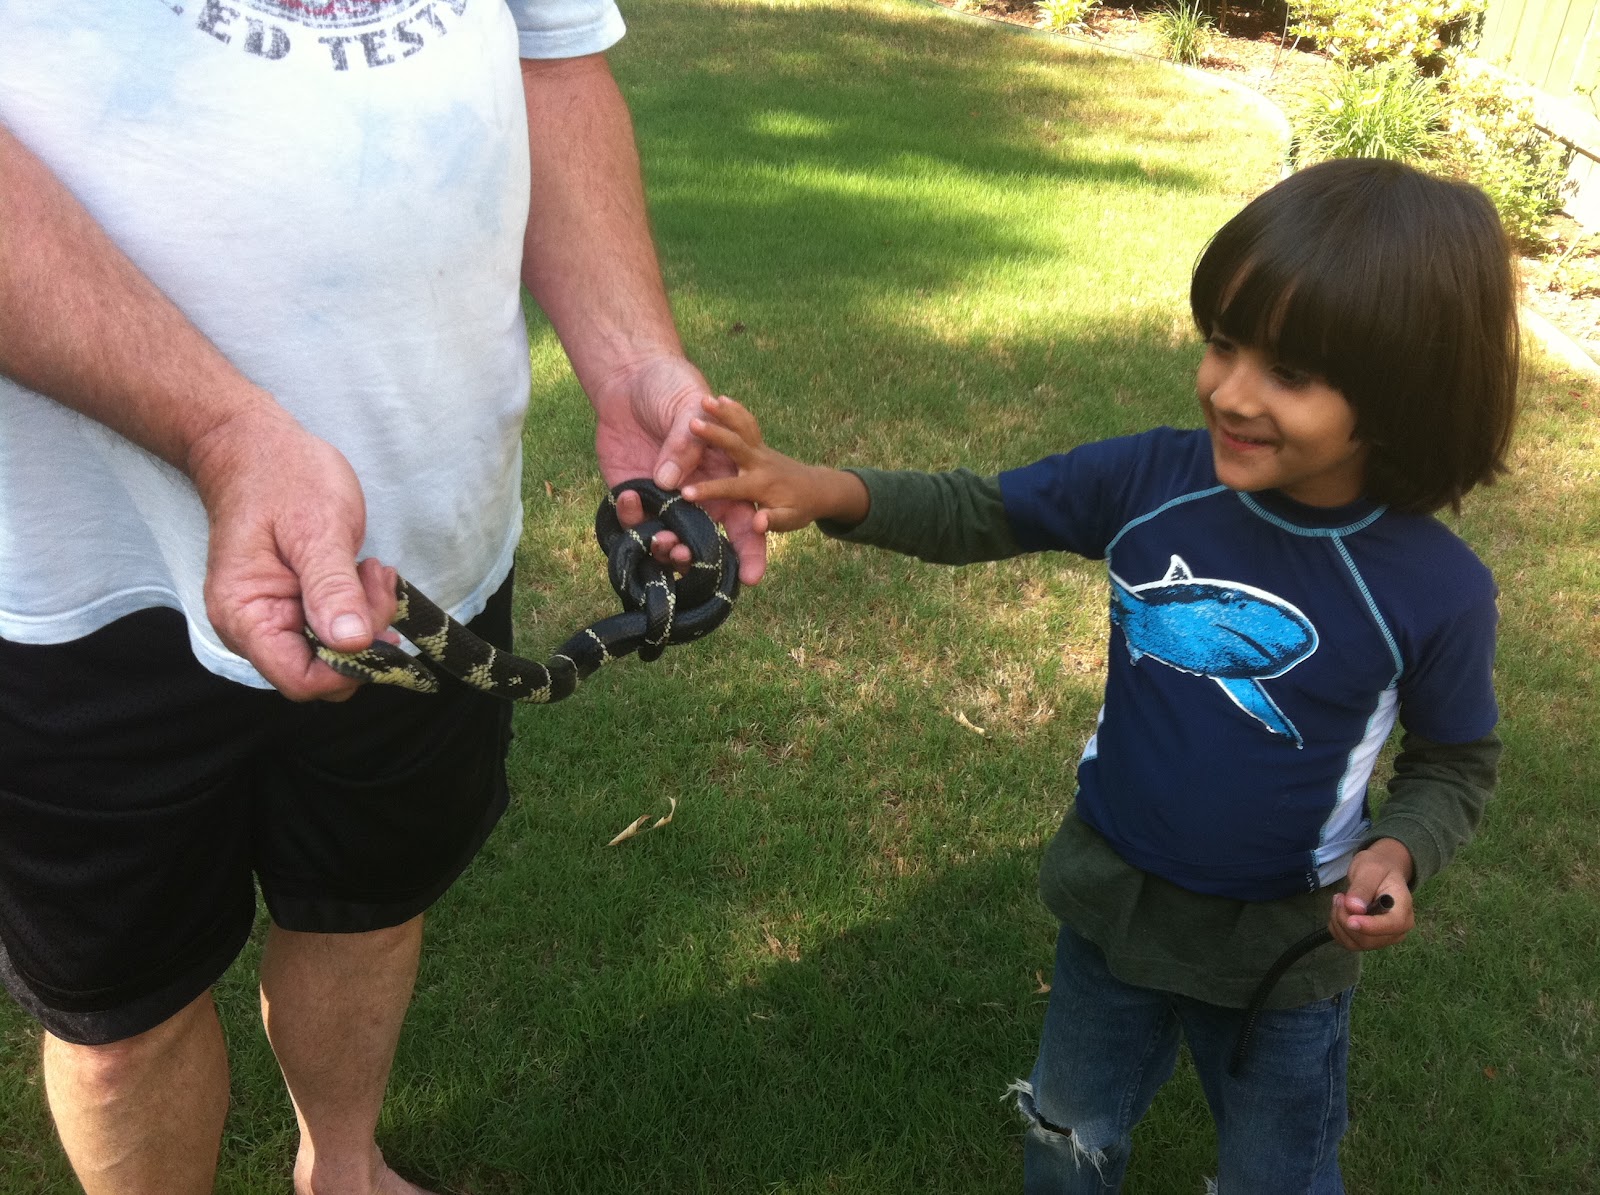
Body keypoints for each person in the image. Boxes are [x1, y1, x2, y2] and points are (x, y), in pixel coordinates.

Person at [0, 3, 763, 1193]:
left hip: (426, 547)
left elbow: (551, 67)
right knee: (117, 1016)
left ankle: (341, 1170)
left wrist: (626, 358)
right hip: (77, 579)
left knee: (368, 904)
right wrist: (219, 429)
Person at [680, 158, 1515, 1192]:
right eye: (1221, 343)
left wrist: (1398, 852)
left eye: (1289, 374)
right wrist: (825, 489)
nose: (1230, 391)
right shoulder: (1152, 482)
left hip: (1282, 949)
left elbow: (1455, 761)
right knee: (1067, 1138)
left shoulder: (1434, 585)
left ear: (1401, 394)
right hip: (1112, 904)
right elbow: (985, 510)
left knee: (1279, 1171)